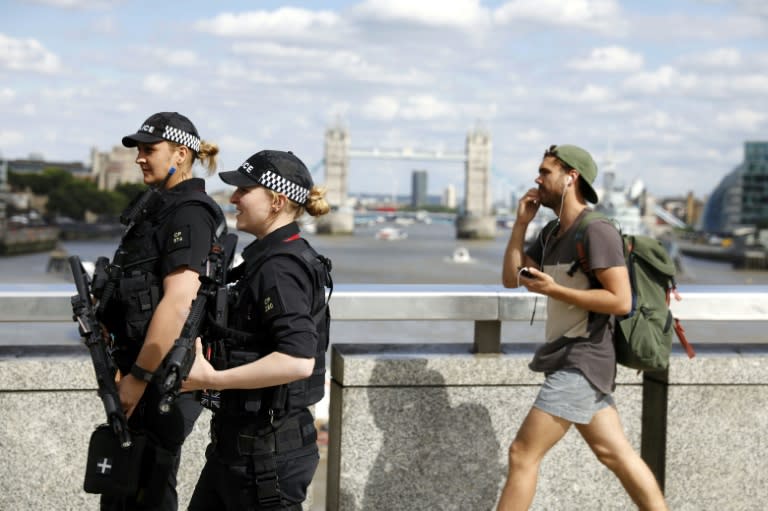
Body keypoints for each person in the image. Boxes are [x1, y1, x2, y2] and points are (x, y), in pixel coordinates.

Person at [497, 144, 668, 510]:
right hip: (568, 357)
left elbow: (620, 300)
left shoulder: (597, 231)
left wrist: (555, 290)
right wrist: (520, 224)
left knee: (522, 454)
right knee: (615, 455)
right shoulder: (552, 233)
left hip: (582, 359)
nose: (537, 179)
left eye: (545, 172)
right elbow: (512, 277)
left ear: (571, 177)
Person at [182, 149, 333, 510]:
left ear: (277, 201)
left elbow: (298, 361)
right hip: (239, 449)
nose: (233, 198)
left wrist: (211, 379)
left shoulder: (280, 268)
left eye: (244, 190)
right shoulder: (270, 258)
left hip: (265, 458)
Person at [98, 111, 225, 510]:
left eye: (149, 150)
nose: (139, 158)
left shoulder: (189, 212)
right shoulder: (157, 208)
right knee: (123, 491)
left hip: (162, 380)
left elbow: (179, 300)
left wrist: (137, 377)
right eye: (137, 150)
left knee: (146, 490)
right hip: (143, 372)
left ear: (181, 154)